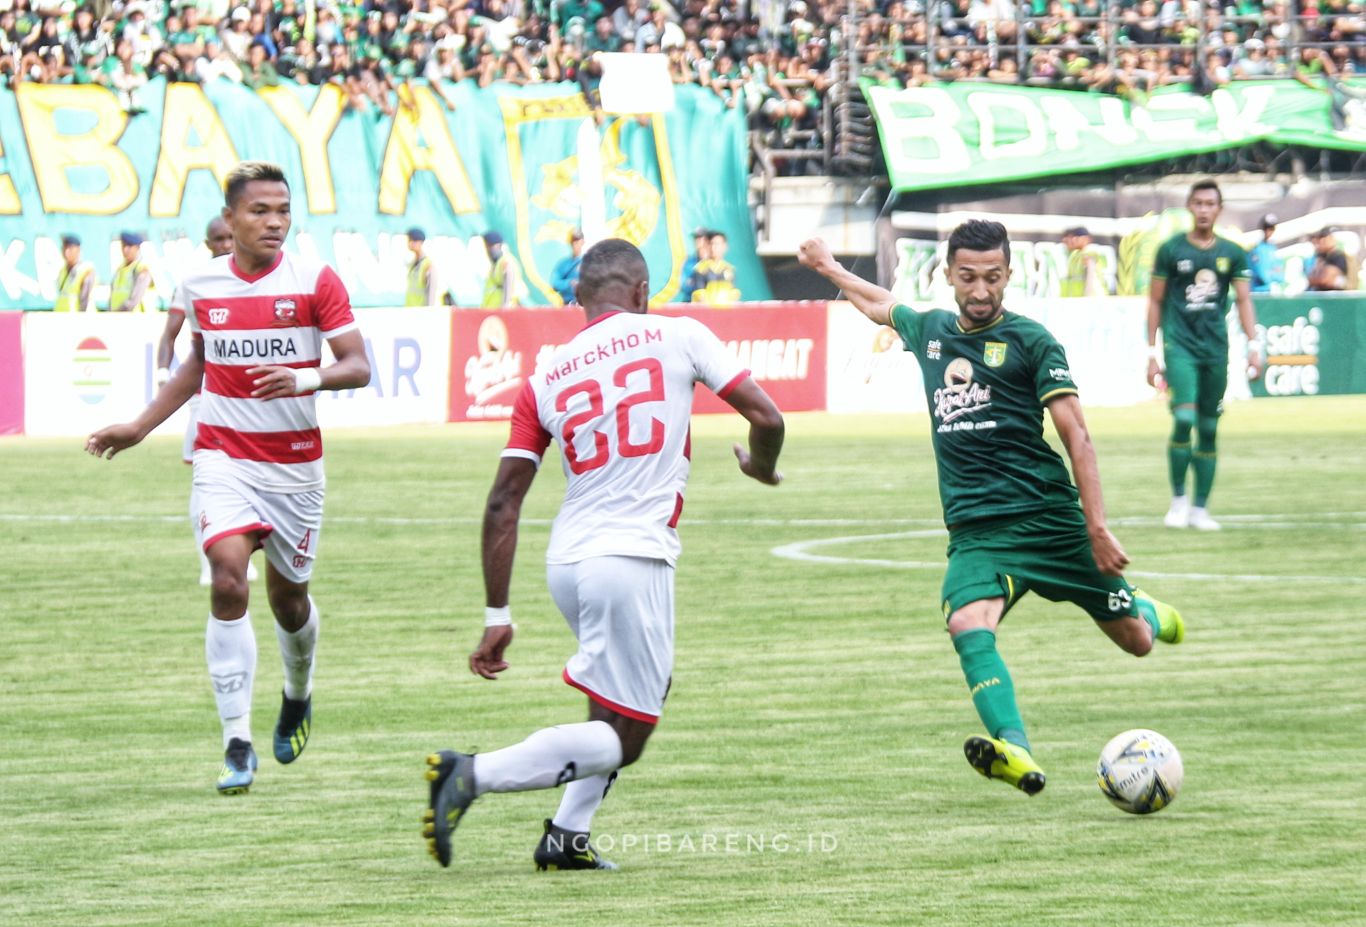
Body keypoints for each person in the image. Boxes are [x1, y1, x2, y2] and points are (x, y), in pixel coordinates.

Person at [422, 238, 784, 870]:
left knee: (628, 696)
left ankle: (566, 836)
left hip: (569, 559)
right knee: (629, 737)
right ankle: (469, 774)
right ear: (643, 294)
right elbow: (769, 417)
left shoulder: (544, 377)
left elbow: (503, 502)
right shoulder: (678, 335)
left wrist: (496, 613)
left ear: (577, 298)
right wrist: (760, 466)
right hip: (630, 557)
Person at [797, 223, 1184, 797]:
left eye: (993, 278)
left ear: (1009, 275)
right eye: (969, 277)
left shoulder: (1032, 341)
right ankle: (1016, 751)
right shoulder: (928, 329)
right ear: (948, 275)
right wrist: (828, 267)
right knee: (966, 624)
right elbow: (880, 304)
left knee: (1136, 641)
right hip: (977, 533)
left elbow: (1077, 434)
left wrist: (1097, 528)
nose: (981, 291)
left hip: (1050, 521)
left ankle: (1148, 609)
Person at [86, 161, 371, 795]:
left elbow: (358, 365)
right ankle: (236, 741)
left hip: (295, 466)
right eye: (260, 211)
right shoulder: (201, 282)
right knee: (225, 578)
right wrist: (139, 425)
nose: (274, 222)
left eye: (283, 210)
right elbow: (199, 365)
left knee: (288, 599)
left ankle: (297, 692)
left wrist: (307, 377)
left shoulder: (314, 279)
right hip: (224, 457)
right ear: (230, 219)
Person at [1146, 180, 1262, 532]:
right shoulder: (1170, 249)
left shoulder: (1232, 252)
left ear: (1219, 209)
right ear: (1189, 207)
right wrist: (1151, 352)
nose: (1203, 209)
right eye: (1197, 203)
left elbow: (1243, 300)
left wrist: (1254, 346)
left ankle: (1200, 509)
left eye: (1210, 203)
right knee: (1183, 419)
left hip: (1215, 349)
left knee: (1209, 429)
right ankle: (1179, 499)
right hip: (1179, 347)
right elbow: (1155, 300)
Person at [155, 216, 257, 585]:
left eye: (231, 237)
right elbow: (169, 336)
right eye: (219, 239)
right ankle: (208, 561)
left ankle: (242, 551)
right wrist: (165, 376)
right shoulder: (195, 284)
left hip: (251, 400)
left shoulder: (260, 281)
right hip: (206, 397)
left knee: (250, 476)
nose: (226, 244)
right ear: (208, 243)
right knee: (205, 479)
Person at [109, 231, 156, 312]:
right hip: (117, 317)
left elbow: (134, 300)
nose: (125, 250)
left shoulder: (142, 269)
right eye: (123, 246)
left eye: (129, 246)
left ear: (137, 248)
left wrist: (117, 312)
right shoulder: (120, 269)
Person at [690, 231, 741, 305]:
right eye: (711, 244)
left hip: (725, 313)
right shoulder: (701, 269)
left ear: (725, 246)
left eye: (717, 244)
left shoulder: (729, 269)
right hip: (706, 313)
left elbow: (734, 293)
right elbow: (699, 295)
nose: (713, 247)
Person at [480, 231, 528, 308]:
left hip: (506, 310)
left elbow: (509, 274)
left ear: (499, 246)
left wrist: (505, 305)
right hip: (494, 311)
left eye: (490, 246)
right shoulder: (496, 263)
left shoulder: (505, 260)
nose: (488, 250)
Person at [1059, 226, 1108, 298]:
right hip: (1079, 298)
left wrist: (1087, 296)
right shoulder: (1076, 254)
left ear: (1086, 239)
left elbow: (1091, 275)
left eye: (1077, 237)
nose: (1073, 240)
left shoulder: (1090, 253)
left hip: (1093, 297)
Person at [53, 234, 95, 313]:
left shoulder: (85, 271)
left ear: (78, 250)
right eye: (64, 248)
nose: (66, 252)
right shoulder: (63, 271)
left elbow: (84, 300)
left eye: (70, 248)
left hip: (78, 319)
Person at [1247, 214, 1286, 294]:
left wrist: (1275, 281)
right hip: (1258, 292)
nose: (1268, 231)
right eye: (1266, 228)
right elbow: (1261, 273)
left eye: (1271, 228)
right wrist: (1270, 279)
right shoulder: (1256, 249)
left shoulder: (1273, 248)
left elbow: (1279, 271)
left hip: (1272, 291)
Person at [404, 227, 441, 306]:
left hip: (421, 312)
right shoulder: (412, 264)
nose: (409, 243)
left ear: (420, 242)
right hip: (410, 309)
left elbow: (432, 292)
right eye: (409, 240)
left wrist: (429, 310)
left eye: (413, 240)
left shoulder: (427, 265)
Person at [1305, 227, 1350, 292]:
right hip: (1320, 296)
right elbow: (1310, 279)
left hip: (1335, 297)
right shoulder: (1320, 256)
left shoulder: (1338, 256)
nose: (1321, 241)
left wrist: (1318, 278)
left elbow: (1325, 280)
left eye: (1324, 238)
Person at [550, 227, 585, 305]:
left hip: (585, 305)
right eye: (573, 243)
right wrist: (569, 283)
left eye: (577, 242)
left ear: (582, 242)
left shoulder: (589, 262)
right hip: (568, 304)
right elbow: (555, 283)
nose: (575, 245)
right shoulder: (563, 264)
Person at [679, 227, 711, 302]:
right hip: (690, 303)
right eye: (696, 238)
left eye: (700, 238)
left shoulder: (714, 262)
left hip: (711, 304)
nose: (697, 240)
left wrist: (695, 281)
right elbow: (684, 286)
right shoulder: (689, 262)